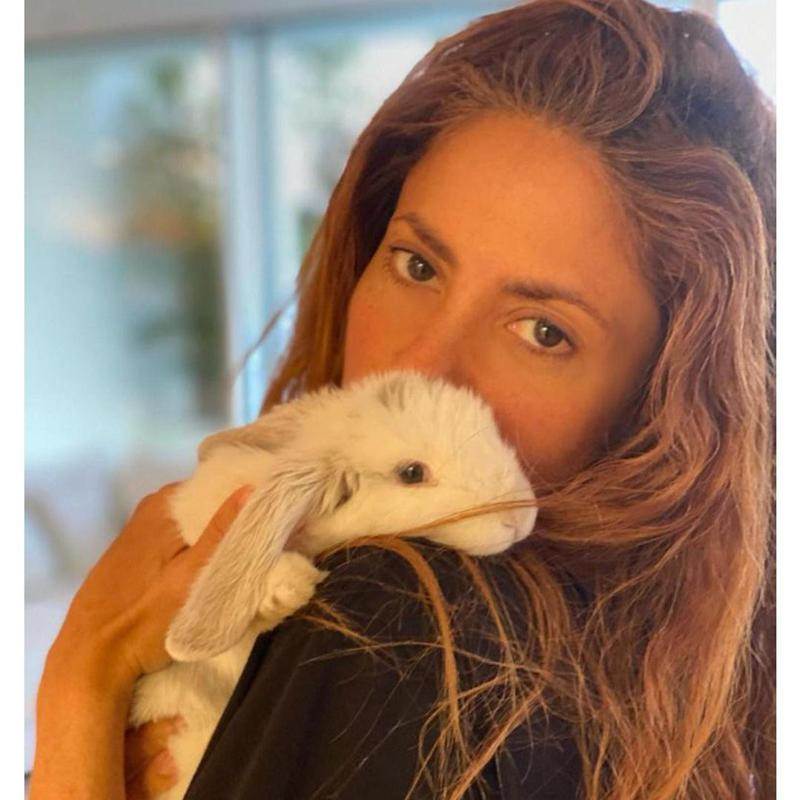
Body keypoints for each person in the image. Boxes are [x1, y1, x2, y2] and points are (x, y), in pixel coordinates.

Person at [29, 0, 775, 798]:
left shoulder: (397, 617)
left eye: (543, 331)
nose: (422, 367)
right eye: (417, 266)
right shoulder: (680, 691)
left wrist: (82, 680)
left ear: (662, 408)